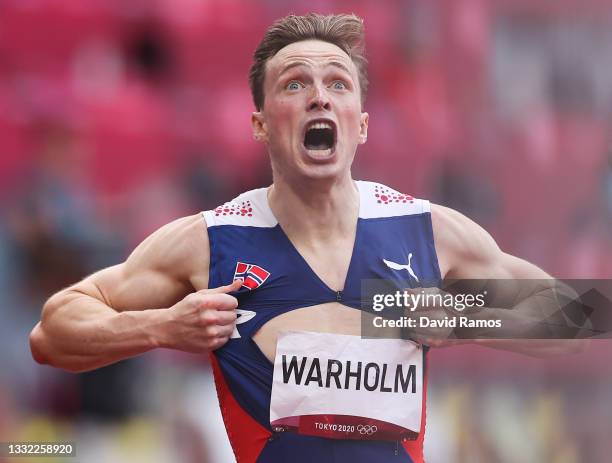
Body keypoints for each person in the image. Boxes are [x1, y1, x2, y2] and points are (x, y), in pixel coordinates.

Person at [29, 13, 585, 463]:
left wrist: (464, 315)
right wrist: (161, 326)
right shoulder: (212, 241)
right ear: (261, 124)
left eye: (337, 84)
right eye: (295, 83)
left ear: (360, 123)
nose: (319, 98)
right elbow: (52, 334)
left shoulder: (428, 230)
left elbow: (574, 319)